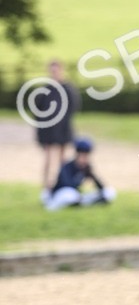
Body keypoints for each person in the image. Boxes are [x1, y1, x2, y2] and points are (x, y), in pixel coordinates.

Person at [35, 60, 81, 189]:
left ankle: (62, 182)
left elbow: (73, 108)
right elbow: (39, 112)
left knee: (62, 158)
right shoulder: (45, 90)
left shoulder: (68, 89)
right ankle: (46, 186)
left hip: (63, 129)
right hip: (49, 130)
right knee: (48, 158)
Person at [40, 138, 116, 211]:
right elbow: (67, 185)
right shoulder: (67, 166)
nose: (84, 158)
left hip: (77, 196)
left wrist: (91, 174)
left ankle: (84, 203)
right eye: (82, 155)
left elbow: (101, 187)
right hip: (61, 195)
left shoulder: (86, 168)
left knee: (109, 192)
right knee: (70, 194)